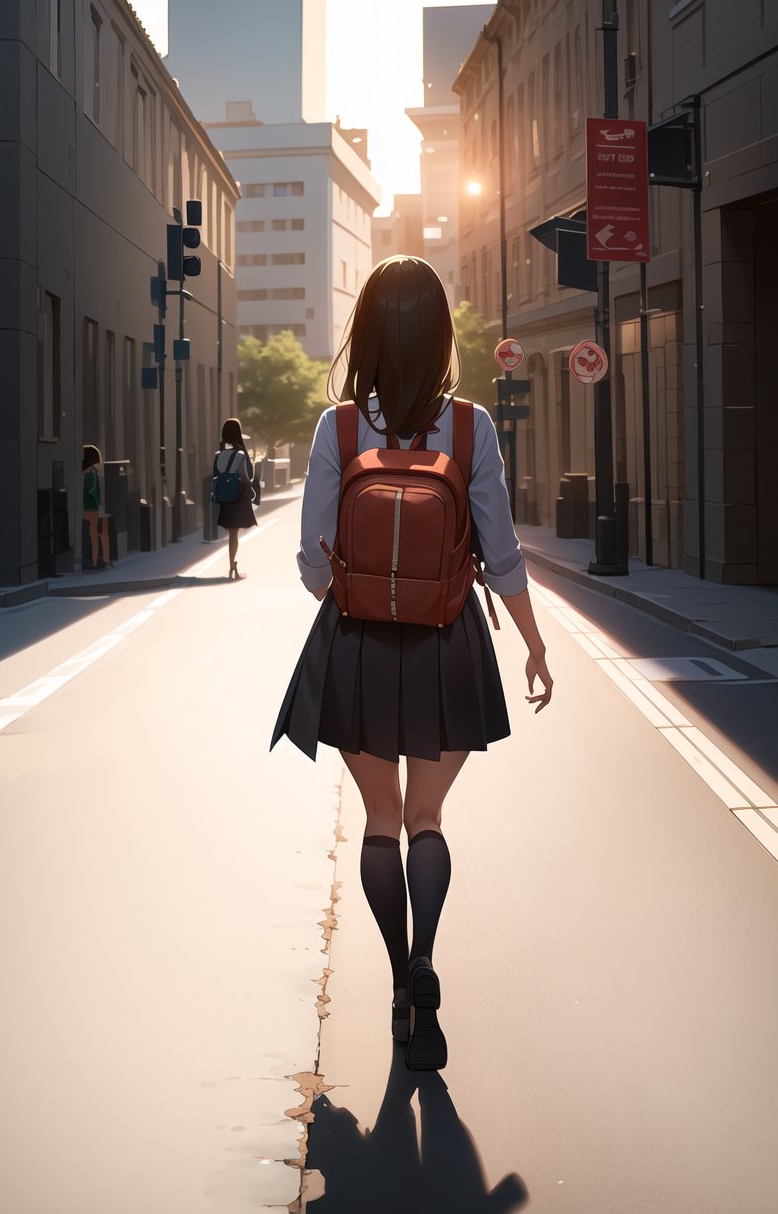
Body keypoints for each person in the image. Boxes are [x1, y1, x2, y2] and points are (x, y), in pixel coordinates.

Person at [270, 256, 554, 1071]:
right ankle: (428, 955)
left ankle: (399, 982)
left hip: (358, 645)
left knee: (381, 823)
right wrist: (532, 644)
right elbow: (501, 554)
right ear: (440, 338)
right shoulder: (470, 429)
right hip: (446, 644)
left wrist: (363, 590)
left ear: (364, 331)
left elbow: (310, 566)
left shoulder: (339, 429)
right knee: (428, 821)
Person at [214, 417, 257, 580]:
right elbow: (248, 477)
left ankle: (232, 565)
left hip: (226, 497)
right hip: (239, 497)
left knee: (232, 533)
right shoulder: (241, 454)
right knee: (234, 534)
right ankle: (233, 567)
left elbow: (217, 475)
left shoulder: (219, 454)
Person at [81, 445, 110, 570]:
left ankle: (97, 560)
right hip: (92, 510)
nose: (100, 463)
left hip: (89, 509)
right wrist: (98, 503)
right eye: (98, 461)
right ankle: (96, 561)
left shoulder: (87, 474)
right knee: (96, 535)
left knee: (94, 535)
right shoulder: (91, 476)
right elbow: (93, 491)